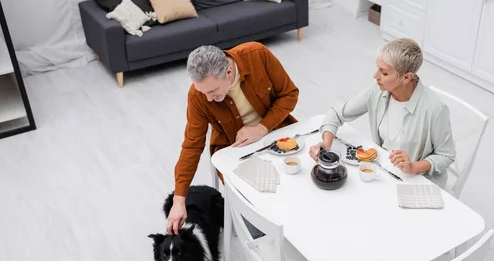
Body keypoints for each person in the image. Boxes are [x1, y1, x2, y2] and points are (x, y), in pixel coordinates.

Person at [167, 42, 299, 234]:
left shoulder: (257, 55)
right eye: (204, 93)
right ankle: (262, 238)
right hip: (233, 148)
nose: (209, 99)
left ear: (228, 72)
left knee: (300, 178)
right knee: (255, 201)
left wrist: (262, 128)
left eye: (213, 91)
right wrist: (179, 200)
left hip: (275, 132)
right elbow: (192, 146)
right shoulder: (198, 96)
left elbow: (289, 94)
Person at [309, 38, 456, 187]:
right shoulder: (377, 90)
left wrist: (413, 167)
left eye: (384, 72)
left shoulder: (435, 109)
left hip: (416, 182)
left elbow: (446, 155)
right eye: (378, 68)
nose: (375, 76)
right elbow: (336, 114)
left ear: (407, 77)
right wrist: (326, 144)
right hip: (383, 171)